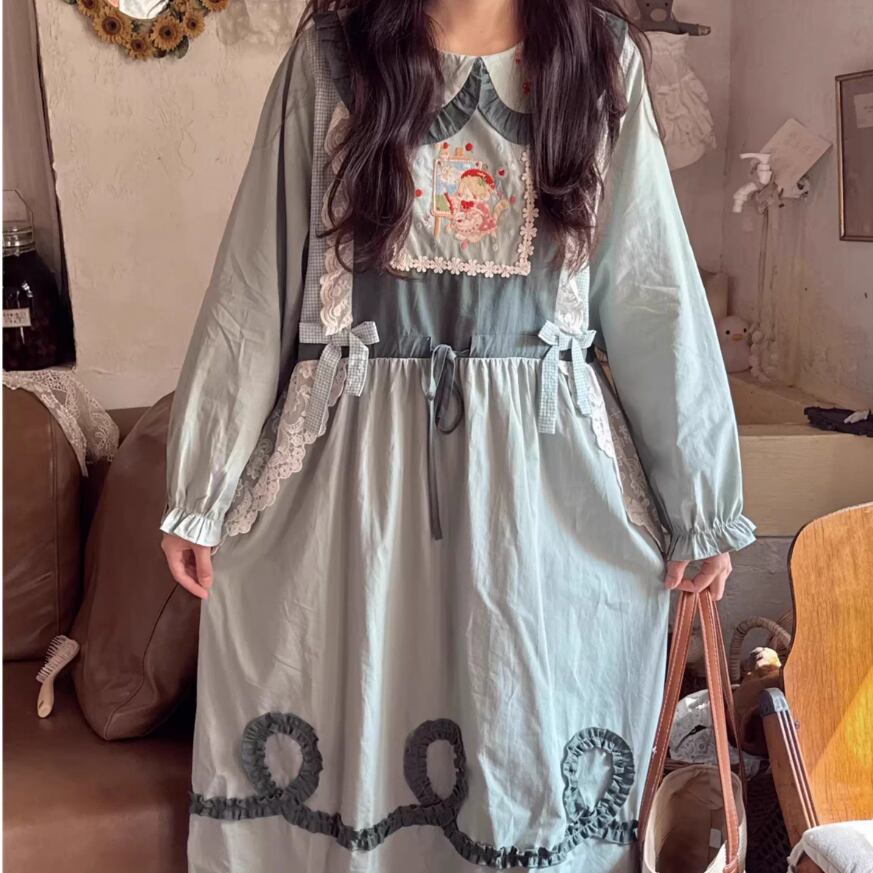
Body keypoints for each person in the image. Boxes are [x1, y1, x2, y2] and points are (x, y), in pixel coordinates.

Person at [160, 1, 756, 870]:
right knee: (358, 703)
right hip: (355, 476)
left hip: (544, 484)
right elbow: (256, 277)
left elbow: (649, 289)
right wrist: (202, 490)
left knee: (520, 739)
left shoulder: (597, 57)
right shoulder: (335, 54)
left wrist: (700, 504)